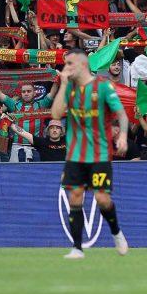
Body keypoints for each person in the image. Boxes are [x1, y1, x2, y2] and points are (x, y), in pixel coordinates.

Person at [50, 49, 129, 259]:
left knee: (102, 198)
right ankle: (77, 248)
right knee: (75, 197)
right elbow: (56, 114)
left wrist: (122, 136)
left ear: (82, 65)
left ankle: (116, 232)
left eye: (69, 64)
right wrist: (64, 85)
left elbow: (121, 114)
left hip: (100, 153)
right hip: (75, 154)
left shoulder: (103, 86)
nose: (65, 68)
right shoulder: (71, 88)